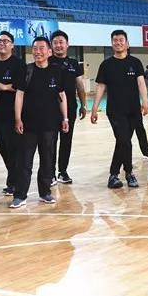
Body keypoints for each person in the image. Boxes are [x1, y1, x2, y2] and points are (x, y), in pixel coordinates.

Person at [10, 37, 68, 208]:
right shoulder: (26, 70)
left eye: (41, 48)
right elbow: (19, 95)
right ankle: (20, 195)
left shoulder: (57, 71)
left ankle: (45, 193)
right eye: (35, 48)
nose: (37, 52)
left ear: (49, 52)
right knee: (24, 161)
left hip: (50, 125)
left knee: (48, 160)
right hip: (29, 125)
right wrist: (18, 118)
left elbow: (62, 95)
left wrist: (65, 118)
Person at [91, 30, 148, 188]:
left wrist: (145, 102)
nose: (118, 42)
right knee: (125, 142)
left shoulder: (135, 62)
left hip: (133, 110)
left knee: (122, 142)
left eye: (121, 40)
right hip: (115, 111)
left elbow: (141, 83)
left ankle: (113, 175)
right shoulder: (106, 65)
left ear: (127, 43)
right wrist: (95, 108)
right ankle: (129, 173)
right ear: (112, 44)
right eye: (115, 40)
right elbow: (101, 86)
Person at [0, 31, 25, 196]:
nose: (2, 43)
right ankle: (13, 179)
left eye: (5, 41)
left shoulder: (19, 64)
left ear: (12, 45)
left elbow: (22, 87)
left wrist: (4, 87)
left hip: (14, 112)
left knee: (14, 148)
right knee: (2, 146)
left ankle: (15, 183)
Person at [49, 30, 87, 185]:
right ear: (51, 45)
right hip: (49, 109)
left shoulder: (74, 64)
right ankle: (50, 173)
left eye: (61, 42)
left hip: (70, 108)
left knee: (66, 141)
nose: (58, 45)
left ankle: (62, 171)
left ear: (67, 44)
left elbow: (80, 86)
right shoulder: (46, 61)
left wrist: (83, 105)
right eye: (55, 42)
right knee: (50, 141)